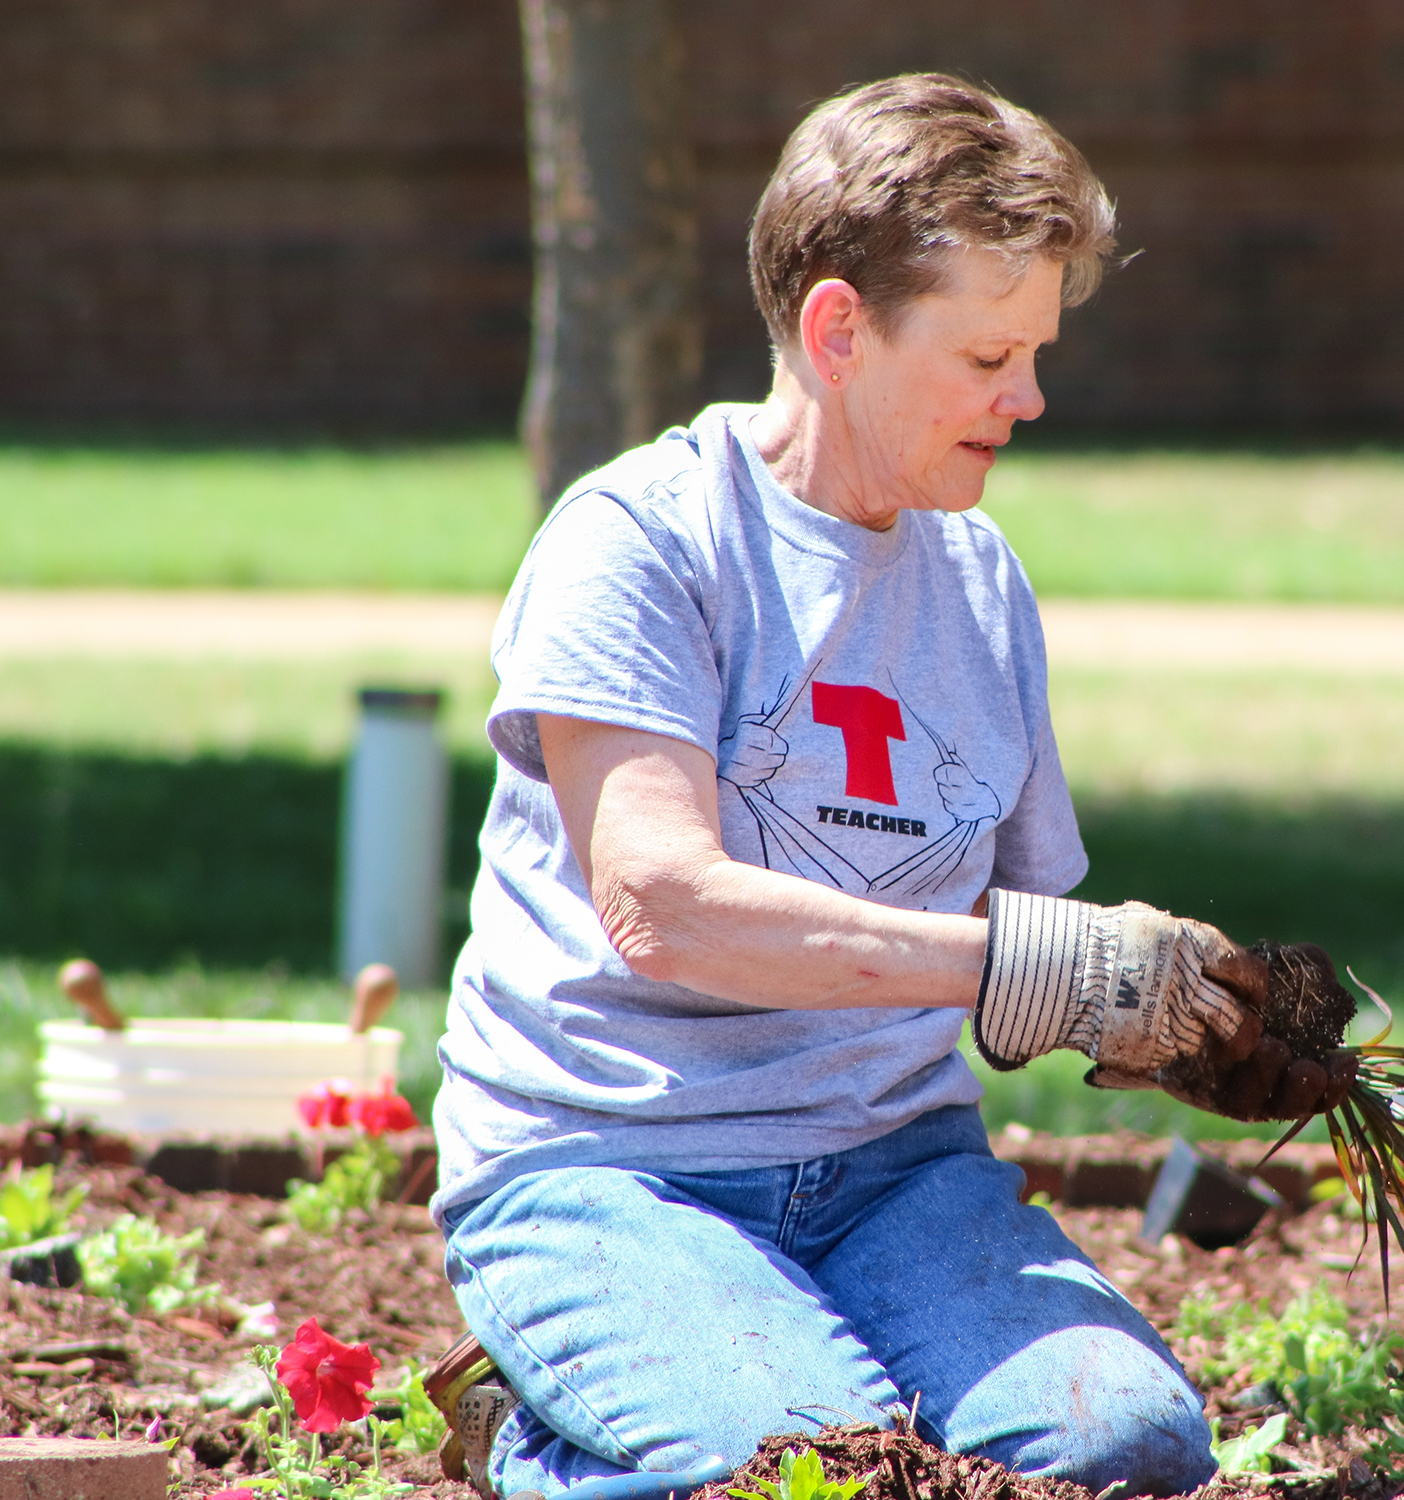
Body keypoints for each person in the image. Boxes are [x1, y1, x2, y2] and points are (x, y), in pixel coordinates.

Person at [429, 73, 1349, 1500]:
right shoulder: (643, 541)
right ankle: (525, 1433)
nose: (1030, 397)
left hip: (896, 1169)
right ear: (839, 331)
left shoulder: (979, 579)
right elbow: (665, 907)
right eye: (990, 356)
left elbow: (1028, 938)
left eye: (1036, 353)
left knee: (1131, 1446)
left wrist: (1187, 1029)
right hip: (612, 1169)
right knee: (823, 1476)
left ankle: (661, 1404)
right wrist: (1050, 965)